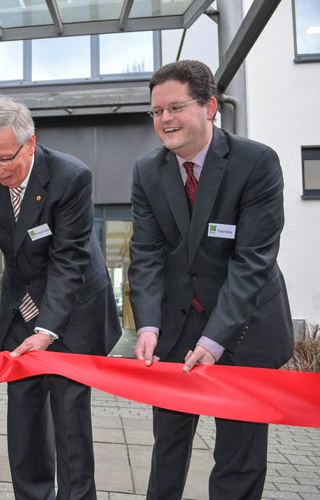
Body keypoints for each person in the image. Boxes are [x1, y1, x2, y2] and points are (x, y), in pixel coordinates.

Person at [128, 59, 294, 500]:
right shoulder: (147, 171)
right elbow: (145, 255)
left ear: (209, 107)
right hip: (176, 331)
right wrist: (146, 324)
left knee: (238, 461)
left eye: (175, 107)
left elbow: (252, 262)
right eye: (157, 111)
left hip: (243, 333)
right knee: (167, 453)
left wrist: (215, 340)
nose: (164, 119)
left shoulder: (256, 163)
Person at [0, 95, 121, 500]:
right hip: (21, 304)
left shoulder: (70, 177)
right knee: (25, 413)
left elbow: (68, 261)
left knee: (69, 415)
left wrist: (47, 329)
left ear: (30, 143)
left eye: (5, 159)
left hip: (75, 303)